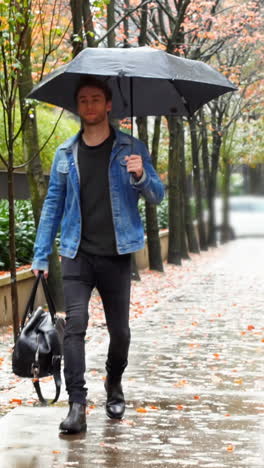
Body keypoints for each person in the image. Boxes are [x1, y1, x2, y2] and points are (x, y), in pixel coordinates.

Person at [31, 76, 164, 434]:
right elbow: (53, 207)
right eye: (83, 100)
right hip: (76, 253)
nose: (89, 106)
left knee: (120, 332)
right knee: (74, 327)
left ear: (109, 105)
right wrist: (41, 256)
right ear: (78, 106)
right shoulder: (65, 154)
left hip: (117, 255)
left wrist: (140, 176)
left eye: (96, 99)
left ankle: (114, 381)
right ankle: (77, 404)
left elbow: (157, 195)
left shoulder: (131, 148)